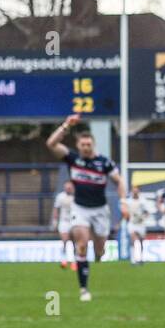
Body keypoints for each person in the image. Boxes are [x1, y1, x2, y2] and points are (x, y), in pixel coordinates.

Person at [46, 116, 123, 301]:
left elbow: (119, 182)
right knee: (81, 245)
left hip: (100, 210)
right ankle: (84, 289)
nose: (86, 147)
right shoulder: (73, 159)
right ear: (78, 145)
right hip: (80, 208)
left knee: (99, 250)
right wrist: (66, 125)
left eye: (89, 144)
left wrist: (124, 202)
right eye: (83, 144)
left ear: (93, 144)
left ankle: (98, 254)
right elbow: (51, 143)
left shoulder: (104, 163)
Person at [51, 180, 76, 269]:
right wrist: (55, 221)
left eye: (70, 187)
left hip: (74, 222)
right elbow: (56, 209)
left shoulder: (76, 197)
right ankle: (64, 260)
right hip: (63, 222)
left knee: (74, 242)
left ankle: (74, 262)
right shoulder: (60, 197)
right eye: (67, 187)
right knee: (65, 241)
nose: (68, 189)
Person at [122, 185, 150, 265]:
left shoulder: (143, 201)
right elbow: (125, 213)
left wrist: (142, 217)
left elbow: (147, 212)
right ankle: (133, 259)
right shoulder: (128, 201)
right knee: (133, 240)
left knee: (141, 241)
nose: (135, 192)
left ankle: (141, 258)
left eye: (136, 191)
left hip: (141, 224)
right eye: (134, 191)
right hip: (132, 223)